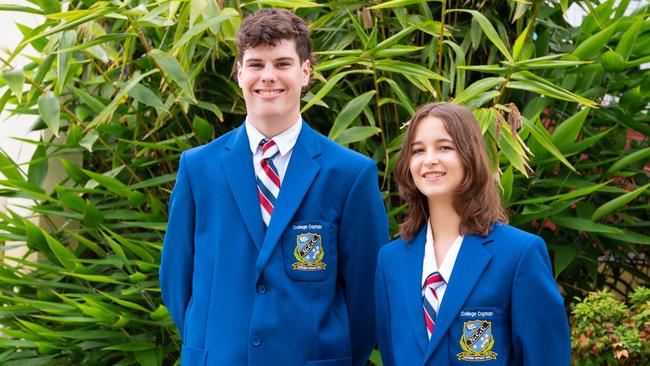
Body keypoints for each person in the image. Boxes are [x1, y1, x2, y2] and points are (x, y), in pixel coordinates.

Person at [159, 8, 389, 366]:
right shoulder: (198, 168)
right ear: (238, 73)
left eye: (282, 63)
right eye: (255, 64)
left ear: (305, 72)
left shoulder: (349, 175)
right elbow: (177, 280)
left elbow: (366, 297)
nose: (268, 76)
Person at [374, 102, 571, 366]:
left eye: (444, 147)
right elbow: (390, 353)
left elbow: (546, 358)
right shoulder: (391, 260)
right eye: (418, 150)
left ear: (470, 155)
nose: (429, 159)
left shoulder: (519, 255)